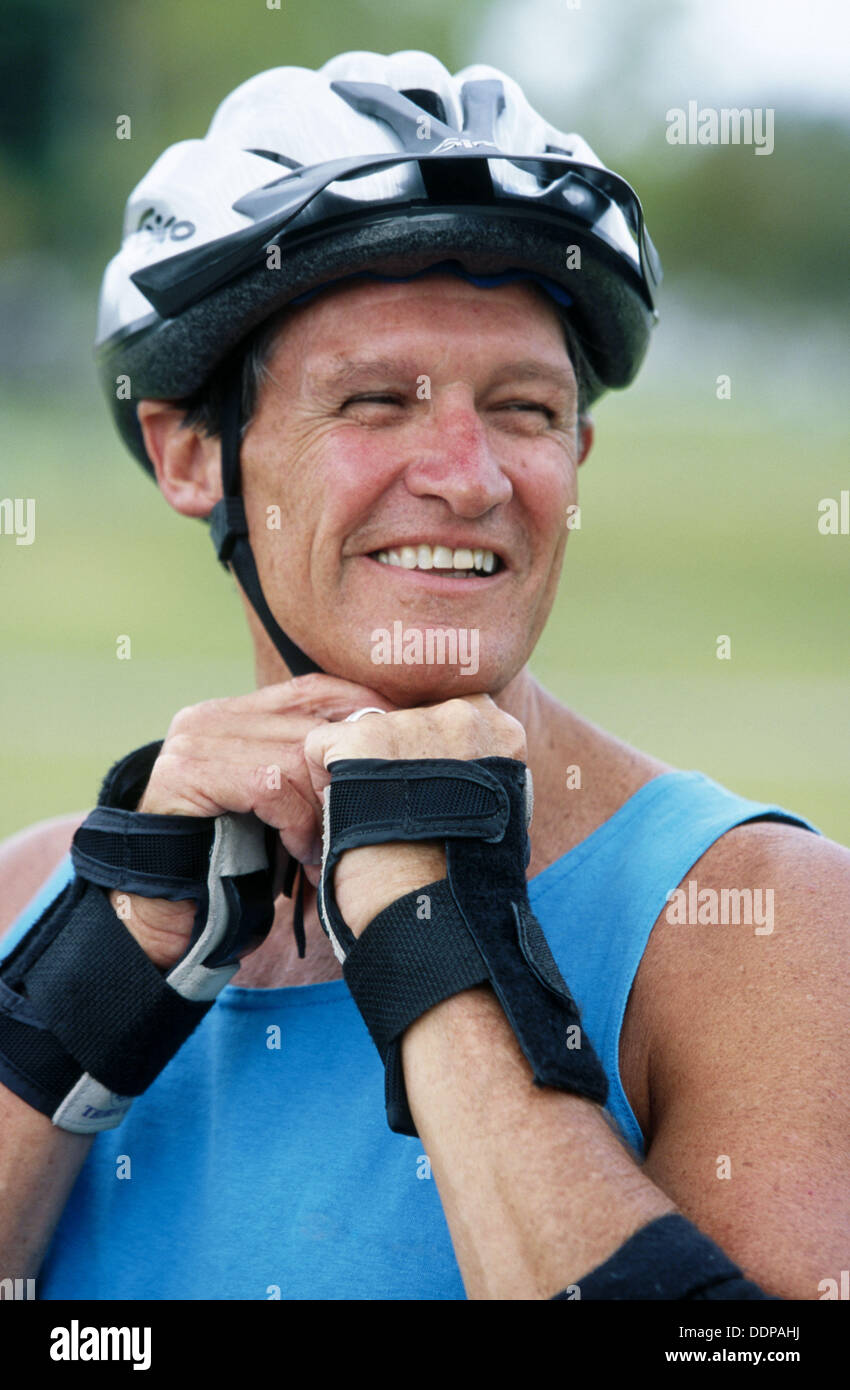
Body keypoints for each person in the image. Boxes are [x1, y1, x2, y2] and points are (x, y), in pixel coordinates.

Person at [0, 51, 846, 1303]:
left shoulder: (766, 927)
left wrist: (431, 933)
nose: (470, 475)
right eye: (376, 401)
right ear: (192, 455)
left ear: (578, 453)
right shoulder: (37, 896)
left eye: (521, 409)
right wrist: (78, 1001)